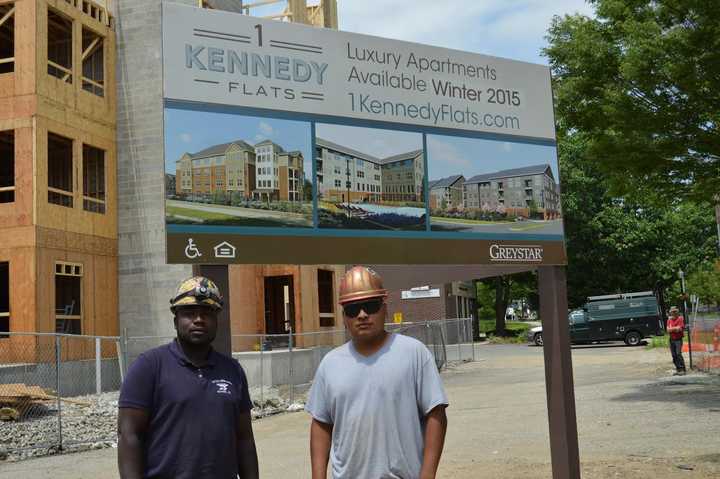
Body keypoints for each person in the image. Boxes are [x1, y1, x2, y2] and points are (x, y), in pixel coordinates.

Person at [306, 266, 449, 479]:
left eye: (370, 305)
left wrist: (427, 475)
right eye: (353, 309)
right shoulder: (330, 364)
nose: (362, 315)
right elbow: (321, 424)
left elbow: (436, 414)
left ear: (384, 308)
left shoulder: (414, 353)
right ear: (344, 316)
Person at [118, 276, 259, 479]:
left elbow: (244, 438)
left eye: (206, 313)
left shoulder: (233, 370)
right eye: (189, 313)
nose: (198, 319)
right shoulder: (149, 366)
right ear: (176, 320)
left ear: (216, 320)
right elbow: (129, 435)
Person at [666, 306, 687, 375]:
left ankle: (683, 369)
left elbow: (680, 329)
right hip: (671, 339)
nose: (674, 313)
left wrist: (672, 329)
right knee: (674, 355)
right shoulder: (669, 320)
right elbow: (668, 330)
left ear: (677, 312)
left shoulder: (680, 319)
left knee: (678, 353)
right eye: (672, 312)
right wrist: (675, 328)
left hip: (678, 339)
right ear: (670, 313)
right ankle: (678, 369)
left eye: (675, 311)